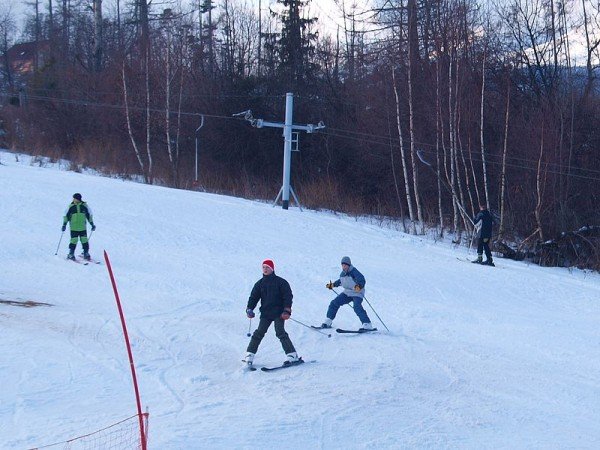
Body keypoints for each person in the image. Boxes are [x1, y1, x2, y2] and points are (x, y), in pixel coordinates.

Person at [244, 259, 299, 367]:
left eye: (267, 267)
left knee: (280, 332)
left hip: (279, 313)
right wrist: (249, 309)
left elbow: (288, 296)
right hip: (266, 313)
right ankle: (249, 354)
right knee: (259, 333)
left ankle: (292, 355)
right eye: (263, 267)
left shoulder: (281, 282)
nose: (265, 269)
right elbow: (253, 297)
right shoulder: (260, 284)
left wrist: (287, 310)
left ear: (272, 269)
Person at [319, 256, 373, 330]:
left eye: (345, 265)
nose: (344, 267)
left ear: (349, 265)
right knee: (334, 303)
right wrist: (332, 285)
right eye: (342, 265)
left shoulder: (354, 271)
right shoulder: (342, 274)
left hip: (357, 293)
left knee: (357, 307)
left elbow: (362, 279)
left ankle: (367, 324)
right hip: (347, 293)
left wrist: (359, 286)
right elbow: (340, 281)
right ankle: (328, 321)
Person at [62, 193, 96, 261]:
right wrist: (64, 225)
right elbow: (66, 216)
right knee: (74, 240)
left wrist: (92, 224)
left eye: (75, 198)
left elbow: (89, 215)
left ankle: (86, 253)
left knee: (84, 240)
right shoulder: (71, 206)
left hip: (82, 227)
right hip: (73, 228)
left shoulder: (85, 206)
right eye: (73, 198)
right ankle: (71, 253)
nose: (74, 199)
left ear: (78, 199)